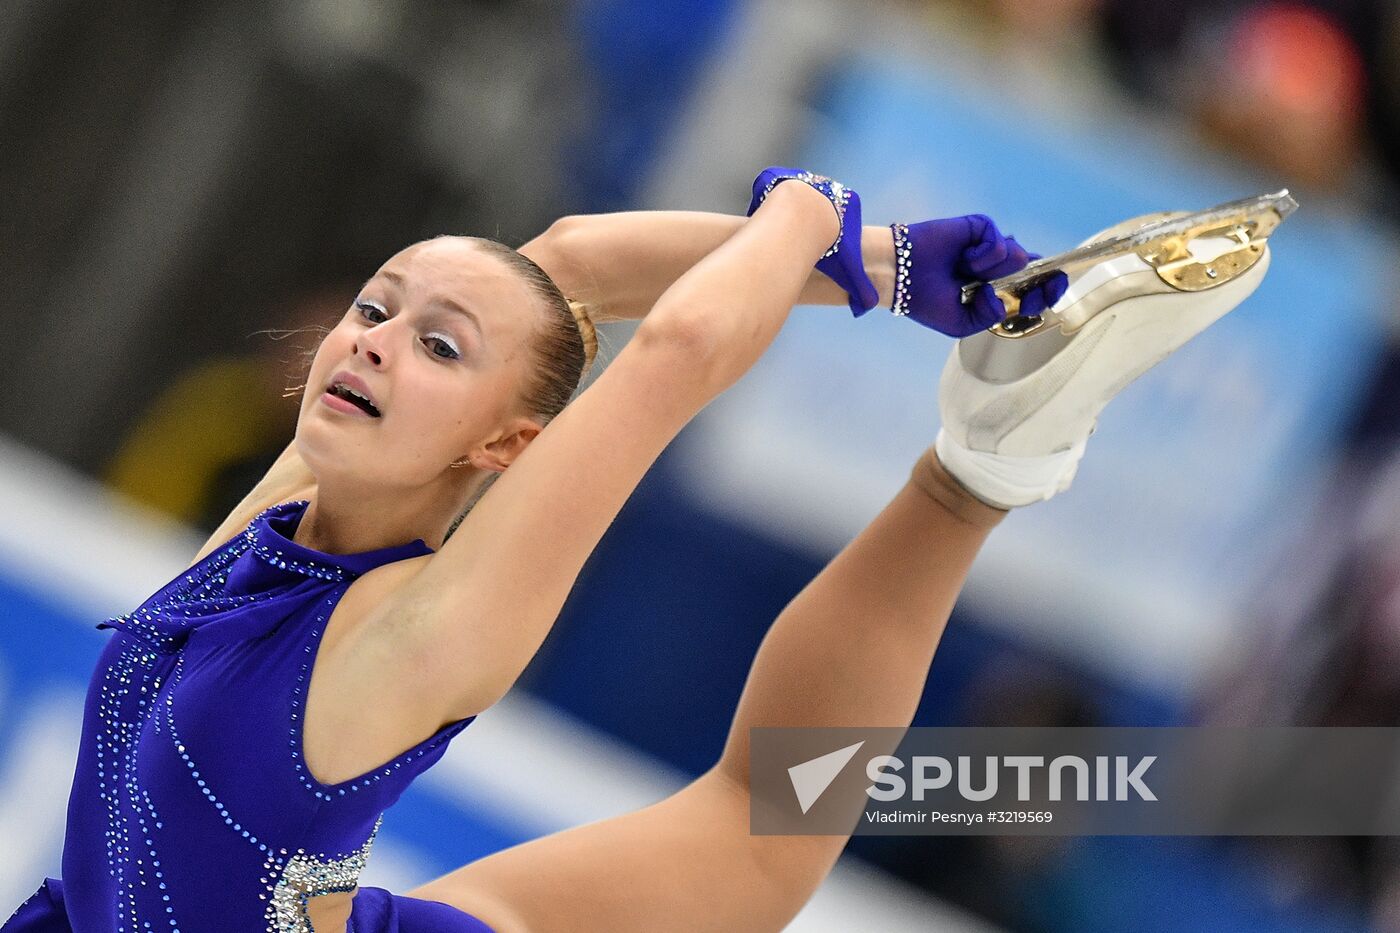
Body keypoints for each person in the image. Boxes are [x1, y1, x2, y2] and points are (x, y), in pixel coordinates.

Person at [0, 166, 1267, 932]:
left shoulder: (421, 628)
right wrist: (876, 263)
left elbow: (666, 353)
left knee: (760, 824)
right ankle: (1006, 403)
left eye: (438, 347)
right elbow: (562, 267)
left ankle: (978, 469)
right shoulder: (283, 518)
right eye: (375, 311)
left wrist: (804, 213)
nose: (378, 340)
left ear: (506, 443)